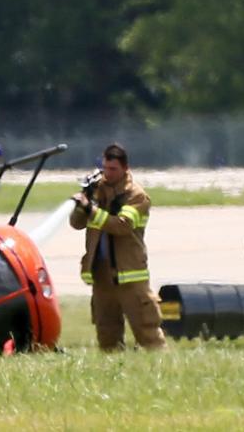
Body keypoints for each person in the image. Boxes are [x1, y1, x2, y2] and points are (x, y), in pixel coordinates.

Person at [69, 143, 167, 351]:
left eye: (113, 169)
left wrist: (91, 209)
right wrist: (82, 203)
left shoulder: (137, 196)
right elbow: (76, 224)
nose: (108, 173)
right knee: (107, 334)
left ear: (125, 168)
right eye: (105, 168)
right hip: (101, 275)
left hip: (130, 275)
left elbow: (122, 226)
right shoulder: (97, 191)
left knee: (148, 332)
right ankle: (114, 368)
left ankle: (162, 366)